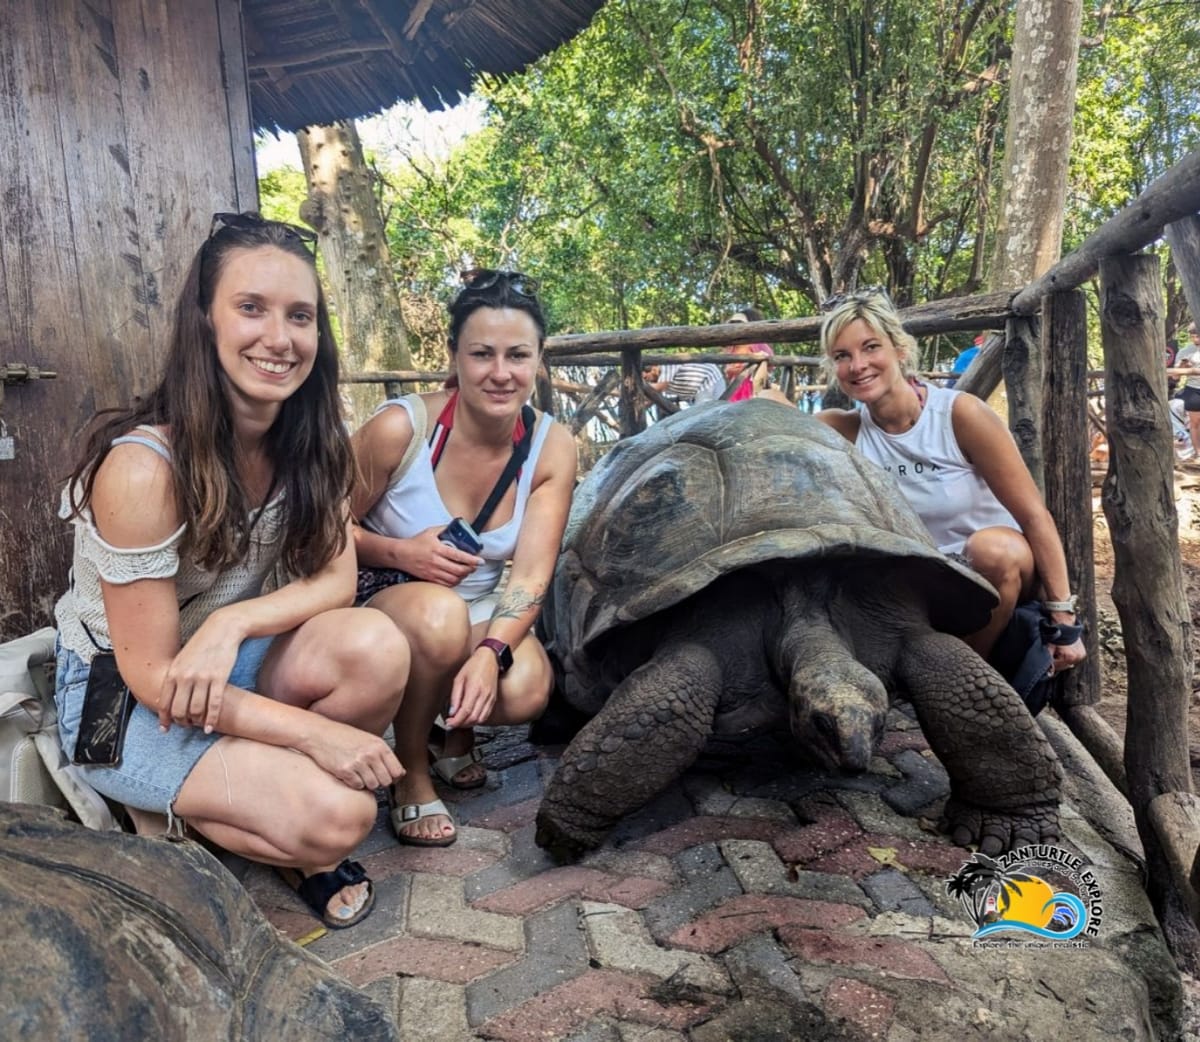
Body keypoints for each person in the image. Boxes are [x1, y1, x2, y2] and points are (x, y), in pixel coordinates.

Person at [53, 211, 409, 930]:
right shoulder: (143, 469)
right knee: (342, 816)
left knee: (375, 645)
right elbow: (152, 677)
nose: (280, 338)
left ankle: (243, 797)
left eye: (299, 316)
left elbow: (337, 583)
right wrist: (314, 735)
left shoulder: (314, 444)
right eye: (251, 308)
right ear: (204, 321)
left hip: (224, 665)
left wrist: (231, 623)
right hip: (119, 695)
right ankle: (184, 805)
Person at [351, 269, 577, 847]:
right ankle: (411, 771)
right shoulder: (400, 428)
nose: (500, 373)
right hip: (382, 605)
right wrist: (402, 551)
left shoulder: (552, 445)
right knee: (438, 617)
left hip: (475, 608)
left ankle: (449, 731)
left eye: (517, 355)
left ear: (539, 360)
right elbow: (314, 531)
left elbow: (530, 575)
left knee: (526, 686)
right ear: (454, 356)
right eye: (482, 354)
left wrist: (490, 652)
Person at [814, 289, 1085, 682]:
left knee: (993, 550)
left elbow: (1033, 515)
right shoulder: (841, 430)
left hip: (993, 578)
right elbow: (768, 414)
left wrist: (1063, 616)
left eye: (871, 347)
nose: (858, 365)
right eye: (842, 355)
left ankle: (960, 680)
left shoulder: (958, 415)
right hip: (916, 586)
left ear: (900, 349)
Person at [1174, 323, 1200, 465]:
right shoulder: (1185, 351)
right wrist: (1183, 366)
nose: (1195, 339)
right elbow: (1175, 376)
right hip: (1193, 389)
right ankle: (1198, 452)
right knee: (1195, 423)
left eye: (1198, 336)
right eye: (1193, 336)